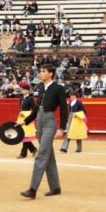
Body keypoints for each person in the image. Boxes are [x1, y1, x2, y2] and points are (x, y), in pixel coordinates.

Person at [20, 64, 68, 199]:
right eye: (40, 71)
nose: (40, 74)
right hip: (39, 123)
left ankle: (32, 189)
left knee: (41, 154)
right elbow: (36, 110)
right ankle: (55, 187)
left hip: (49, 124)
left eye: (43, 71)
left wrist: (61, 128)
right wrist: (26, 121)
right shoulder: (41, 88)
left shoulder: (58, 88)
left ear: (51, 74)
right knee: (49, 156)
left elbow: (64, 109)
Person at [17, 83, 38, 159]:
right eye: (22, 89)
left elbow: (34, 109)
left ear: (28, 91)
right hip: (21, 117)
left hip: (28, 118)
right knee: (23, 135)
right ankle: (33, 149)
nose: (23, 91)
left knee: (25, 135)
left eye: (24, 89)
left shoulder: (30, 98)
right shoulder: (21, 98)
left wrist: (29, 118)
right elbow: (21, 109)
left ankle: (23, 154)